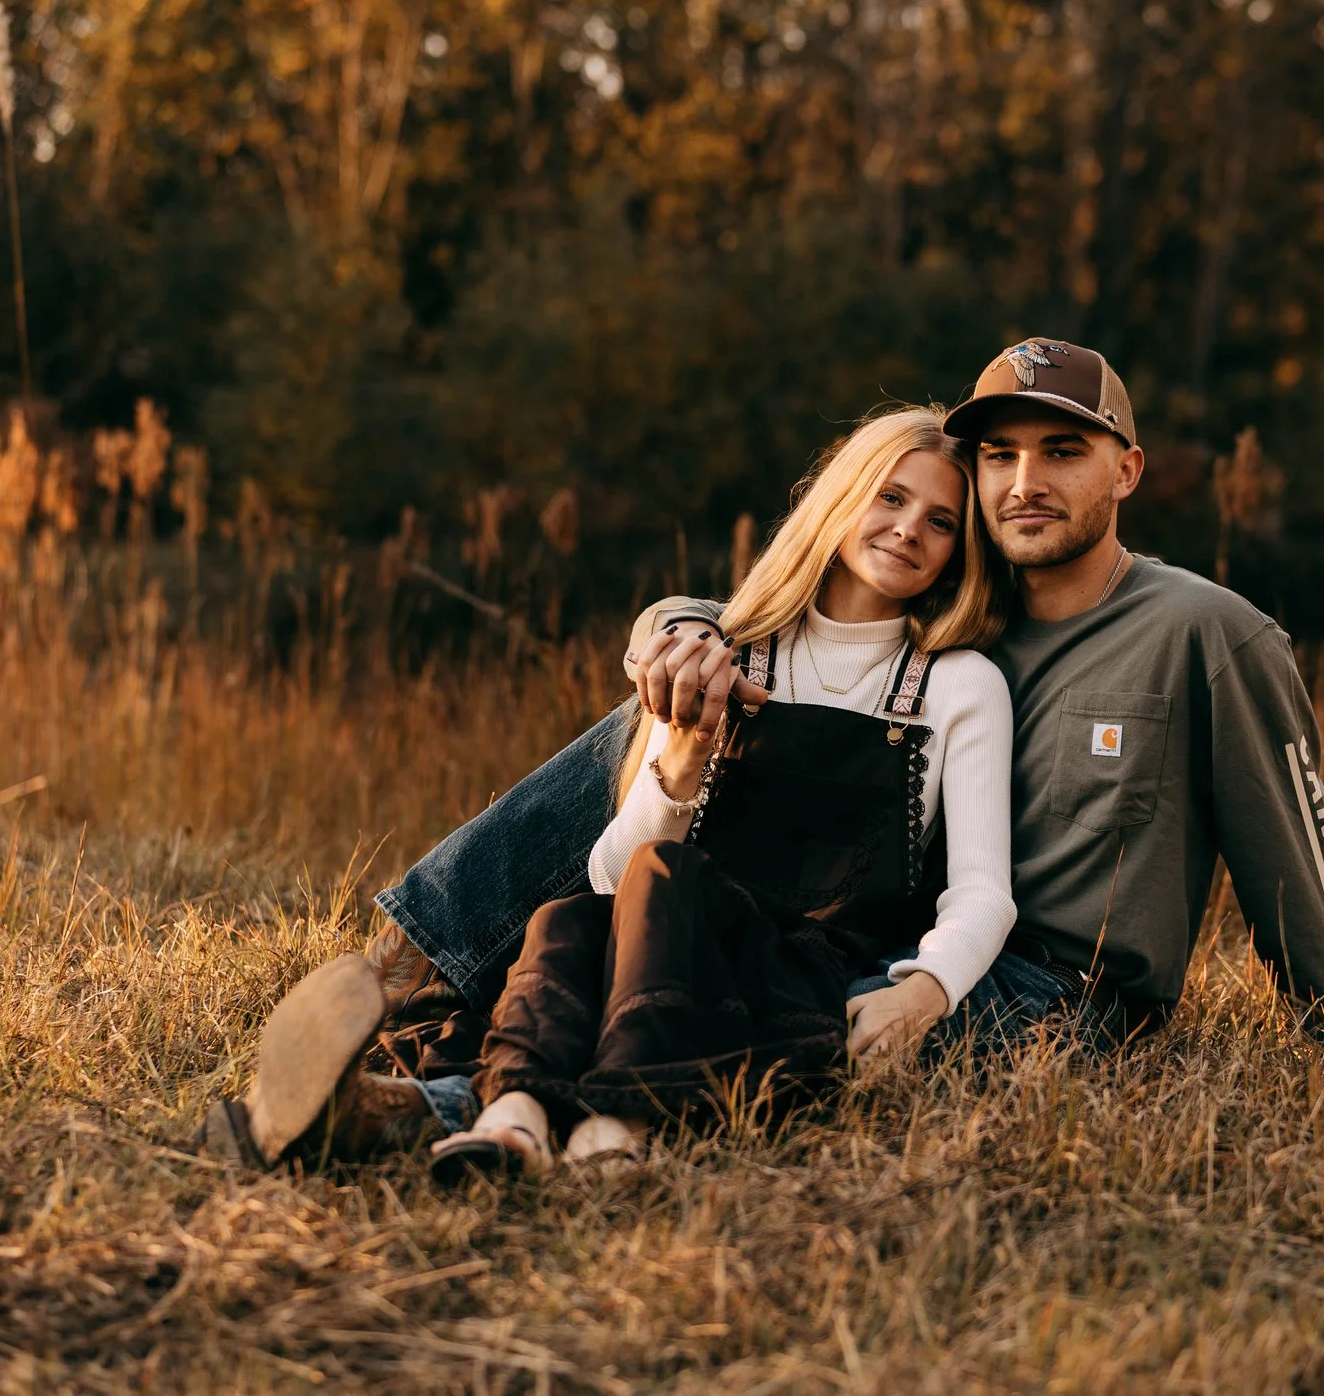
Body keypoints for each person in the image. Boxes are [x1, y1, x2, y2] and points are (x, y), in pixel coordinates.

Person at [207, 338, 1324, 1174]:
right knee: (647, 760)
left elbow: (1302, 856)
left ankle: (415, 1111)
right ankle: (409, 973)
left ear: (1124, 470)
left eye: (1063, 452)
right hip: (880, 929)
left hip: (1052, 994)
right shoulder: (965, 611)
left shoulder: (1205, 632)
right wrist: (677, 634)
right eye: (1000, 457)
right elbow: (811, 629)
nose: (1026, 481)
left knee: (749, 1017)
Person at [202, 408, 1015, 1173]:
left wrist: (926, 986)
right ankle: (509, 1117)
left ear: (958, 551)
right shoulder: (723, 653)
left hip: (791, 979)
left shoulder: (956, 683)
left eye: (941, 521)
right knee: (568, 916)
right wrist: (683, 763)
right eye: (891, 496)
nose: (910, 528)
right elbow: (606, 876)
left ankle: (611, 1122)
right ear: (841, 499)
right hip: (658, 965)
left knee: (662, 883)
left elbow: (983, 890)